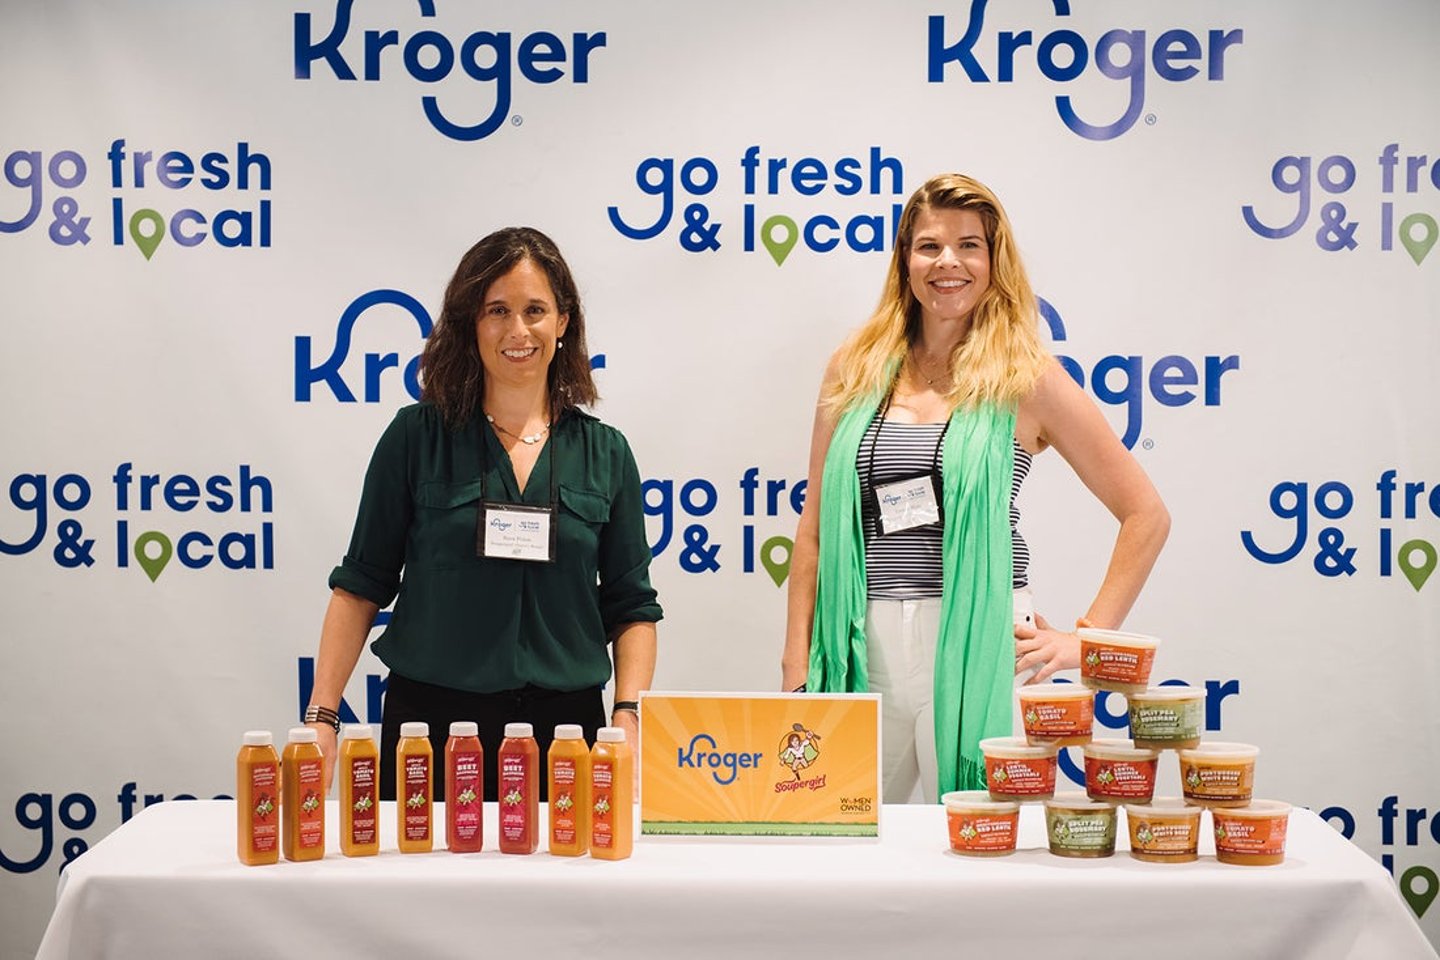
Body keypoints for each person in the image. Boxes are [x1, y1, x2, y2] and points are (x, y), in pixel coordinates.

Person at [781, 174, 1169, 804]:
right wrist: (796, 663)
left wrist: (1085, 640)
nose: (949, 263)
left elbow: (1145, 514)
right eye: (929, 246)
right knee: (838, 832)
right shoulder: (852, 367)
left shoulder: (1027, 378)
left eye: (970, 246)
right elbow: (815, 530)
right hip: (856, 638)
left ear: (995, 263)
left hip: (982, 641)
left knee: (975, 843)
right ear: (905, 259)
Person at [304, 226, 661, 802]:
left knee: (562, 891)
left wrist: (628, 716)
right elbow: (360, 586)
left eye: (535, 310)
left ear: (563, 322)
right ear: (470, 322)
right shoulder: (415, 439)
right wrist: (322, 718)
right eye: (497, 310)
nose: (518, 331)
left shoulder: (606, 452)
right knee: (420, 889)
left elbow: (632, 606)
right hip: (432, 731)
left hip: (566, 737)